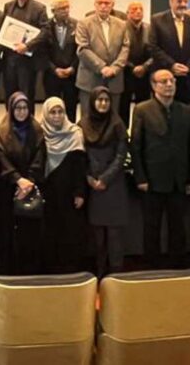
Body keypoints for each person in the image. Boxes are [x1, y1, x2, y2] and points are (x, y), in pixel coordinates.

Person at [130, 70, 190, 268]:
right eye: (164, 81)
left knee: (178, 227)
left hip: (179, 179)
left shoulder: (186, 110)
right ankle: (152, 268)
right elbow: (136, 146)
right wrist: (140, 177)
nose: (169, 85)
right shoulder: (142, 109)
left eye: (172, 81)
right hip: (152, 180)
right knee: (152, 227)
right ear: (153, 85)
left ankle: (178, 268)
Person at [0, 92, 46, 275]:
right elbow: (1, 158)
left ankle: (29, 273)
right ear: (11, 109)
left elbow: (40, 157)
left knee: (29, 234)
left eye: (25, 108)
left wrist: (28, 182)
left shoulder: (36, 130)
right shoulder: (2, 131)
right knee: (7, 233)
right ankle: (8, 273)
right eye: (18, 108)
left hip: (30, 188)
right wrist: (17, 179)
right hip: (8, 189)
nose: (22, 112)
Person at [81, 87, 130, 276]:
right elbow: (80, 155)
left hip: (113, 185)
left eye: (106, 100)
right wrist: (89, 177)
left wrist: (104, 179)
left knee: (115, 235)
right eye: (99, 100)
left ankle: (116, 275)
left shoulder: (117, 124)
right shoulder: (83, 124)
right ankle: (100, 274)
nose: (103, 103)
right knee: (97, 237)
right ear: (92, 102)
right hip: (92, 185)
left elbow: (121, 156)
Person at [40, 96, 87, 273]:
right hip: (49, 191)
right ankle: (52, 270)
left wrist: (80, 192)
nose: (57, 116)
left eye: (60, 112)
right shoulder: (41, 133)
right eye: (53, 112)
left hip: (70, 193)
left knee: (70, 231)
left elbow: (80, 166)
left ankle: (71, 271)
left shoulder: (75, 133)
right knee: (50, 231)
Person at [75, 0, 130, 119]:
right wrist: (102, 67)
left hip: (114, 79)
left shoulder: (122, 24)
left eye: (107, 3)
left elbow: (125, 48)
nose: (103, 6)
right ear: (94, 4)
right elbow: (83, 49)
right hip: (90, 79)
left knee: (113, 118)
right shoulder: (83, 23)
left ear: (112, 5)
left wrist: (115, 68)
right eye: (100, 3)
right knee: (88, 118)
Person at [1, 0, 49, 107]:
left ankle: (28, 121)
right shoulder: (8, 6)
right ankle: (10, 121)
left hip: (28, 62)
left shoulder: (39, 8)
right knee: (9, 96)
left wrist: (27, 46)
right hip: (10, 61)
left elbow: (45, 32)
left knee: (27, 97)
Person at [148, 0, 190, 103]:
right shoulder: (157, 20)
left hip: (187, 78)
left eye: (185, 1)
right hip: (165, 76)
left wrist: (189, 67)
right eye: (179, 1)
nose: (183, 4)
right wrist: (172, 65)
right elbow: (153, 46)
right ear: (171, 2)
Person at [38, 0, 79, 121]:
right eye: (62, 8)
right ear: (53, 11)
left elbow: (80, 50)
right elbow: (42, 52)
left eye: (67, 7)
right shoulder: (46, 26)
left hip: (71, 75)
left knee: (71, 108)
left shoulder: (76, 25)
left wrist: (72, 68)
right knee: (52, 107)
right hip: (51, 75)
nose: (66, 10)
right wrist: (54, 69)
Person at [120, 1, 153, 126]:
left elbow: (155, 51)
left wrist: (145, 66)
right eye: (134, 9)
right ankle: (123, 133)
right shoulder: (120, 28)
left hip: (145, 74)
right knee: (123, 107)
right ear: (127, 13)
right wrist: (132, 67)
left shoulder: (150, 28)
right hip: (125, 73)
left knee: (144, 107)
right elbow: (117, 51)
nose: (138, 11)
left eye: (140, 9)